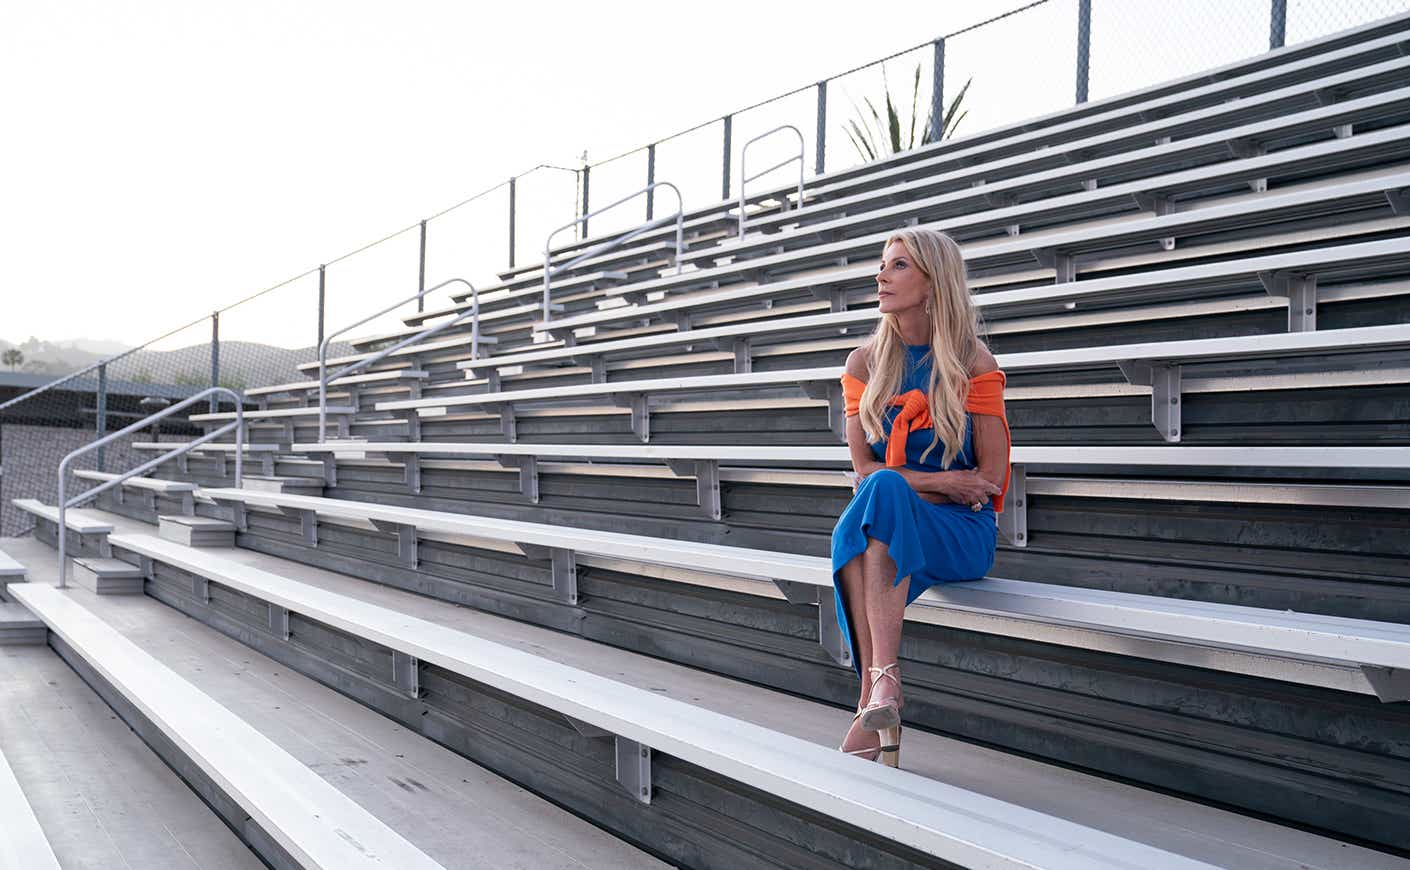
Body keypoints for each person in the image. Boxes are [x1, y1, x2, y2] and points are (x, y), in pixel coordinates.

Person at [831, 227, 1012, 768]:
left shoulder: (971, 361)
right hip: (902, 516)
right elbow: (864, 471)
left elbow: (992, 478)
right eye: (882, 266)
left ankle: (873, 692)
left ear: (934, 283)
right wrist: (941, 481)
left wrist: (950, 490)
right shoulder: (864, 362)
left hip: (958, 530)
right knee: (879, 500)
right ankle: (884, 686)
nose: (882, 276)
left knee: (866, 521)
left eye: (899, 266)